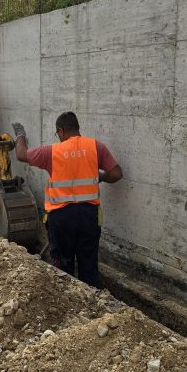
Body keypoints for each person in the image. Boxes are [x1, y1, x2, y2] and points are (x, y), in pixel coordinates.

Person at [13, 112, 122, 288]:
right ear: (77, 128)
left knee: (63, 266)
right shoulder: (96, 147)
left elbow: (21, 154)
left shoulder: (51, 152)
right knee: (89, 263)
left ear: (61, 131)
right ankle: (92, 304)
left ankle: (68, 302)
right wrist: (101, 177)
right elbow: (116, 174)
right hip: (88, 216)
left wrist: (20, 134)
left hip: (61, 217)